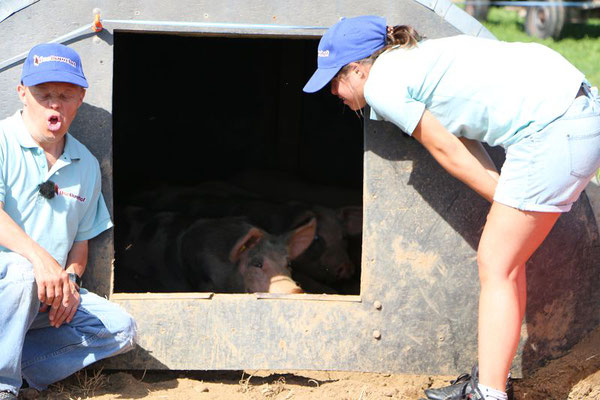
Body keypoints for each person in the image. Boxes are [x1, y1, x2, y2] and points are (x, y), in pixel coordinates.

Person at [303, 15, 600, 400]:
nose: (332, 91)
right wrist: (508, 201)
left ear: (358, 69)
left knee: (497, 262)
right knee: (504, 261)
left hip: (553, 130)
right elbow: (463, 139)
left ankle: (489, 393)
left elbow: (446, 150)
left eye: (334, 79)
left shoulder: (381, 85)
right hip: (578, 110)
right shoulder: (417, 59)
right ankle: (491, 380)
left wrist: (508, 204)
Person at [0, 43, 136, 399]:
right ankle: (3, 386)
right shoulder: (1, 141)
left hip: (46, 292)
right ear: (22, 94)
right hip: (8, 283)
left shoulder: (86, 164)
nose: (54, 104)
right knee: (21, 272)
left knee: (120, 330)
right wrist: (41, 261)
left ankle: (16, 365)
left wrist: (71, 280)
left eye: (65, 94)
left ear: (80, 99)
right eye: (43, 94)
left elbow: (81, 240)